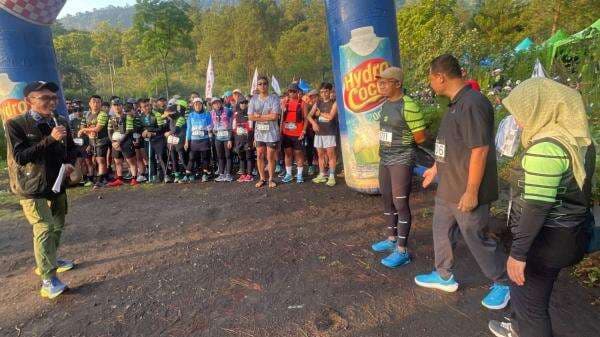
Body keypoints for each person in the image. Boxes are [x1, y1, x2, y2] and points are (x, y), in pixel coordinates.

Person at [488, 78, 595, 337]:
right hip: (573, 232)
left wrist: (518, 253)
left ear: (540, 108)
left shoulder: (545, 149)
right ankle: (516, 325)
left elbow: (537, 207)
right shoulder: (579, 141)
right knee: (537, 294)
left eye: (521, 111)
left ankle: (521, 326)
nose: (518, 120)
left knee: (531, 308)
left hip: (546, 240)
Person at [414, 54, 510, 310]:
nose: (430, 84)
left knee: (475, 235)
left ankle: (503, 282)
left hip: (466, 189)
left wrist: (471, 192)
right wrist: (435, 168)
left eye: (430, 79)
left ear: (440, 77)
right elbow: (452, 145)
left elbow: (479, 149)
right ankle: (443, 274)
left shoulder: (472, 103)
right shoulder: (455, 104)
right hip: (449, 186)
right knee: (441, 229)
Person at [5, 81, 79, 299]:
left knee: (58, 225)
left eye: (54, 98)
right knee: (44, 228)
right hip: (31, 185)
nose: (52, 102)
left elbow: (72, 148)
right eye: (45, 98)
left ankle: (50, 259)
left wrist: (70, 162)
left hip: (56, 182)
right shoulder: (16, 124)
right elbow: (21, 157)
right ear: (29, 101)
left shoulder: (61, 120)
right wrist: (50, 139)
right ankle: (48, 278)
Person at [370, 67, 427, 268]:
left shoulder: (408, 105)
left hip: (401, 160)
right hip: (384, 159)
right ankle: (391, 238)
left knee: (400, 203)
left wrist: (401, 147)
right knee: (387, 199)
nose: (381, 85)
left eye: (385, 82)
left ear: (398, 84)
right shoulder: (386, 104)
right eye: (380, 82)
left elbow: (420, 137)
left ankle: (402, 250)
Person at [248, 76, 281, 188]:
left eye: (264, 83)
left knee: (270, 156)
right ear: (257, 86)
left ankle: (271, 179)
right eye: (260, 84)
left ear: (268, 85)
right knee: (260, 155)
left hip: (272, 133)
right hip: (259, 134)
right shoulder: (253, 100)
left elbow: (275, 116)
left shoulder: (274, 98)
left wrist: (259, 116)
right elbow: (251, 117)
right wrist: (266, 116)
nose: (262, 86)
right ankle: (262, 178)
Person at [307, 82, 338, 187]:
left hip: (330, 132)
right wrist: (314, 123)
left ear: (330, 91)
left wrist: (320, 114)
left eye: (326, 91)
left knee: (331, 155)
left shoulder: (334, 103)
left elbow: (330, 116)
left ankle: (332, 176)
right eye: (322, 92)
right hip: (319, 132)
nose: (324, 94)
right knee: (320, 154)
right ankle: (322, 174)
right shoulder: (318, 103)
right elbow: (309, 115)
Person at [79, 95, 110, 189]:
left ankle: (100, 180)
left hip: (102, 140)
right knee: (93, 160)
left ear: (101, 104)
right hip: (91, 140)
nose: (95, 104)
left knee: (101, 159)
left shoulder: (103, 114)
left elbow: (98, 128)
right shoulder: (86, 114)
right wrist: (88, 133)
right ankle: (102, 177)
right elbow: (82, 126)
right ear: (89, 103)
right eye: (93, 102)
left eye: (98, 102)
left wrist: (84, 130)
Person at [106, 99, 139, 187]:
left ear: (121, 106)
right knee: (117, 161)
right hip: (115, 142)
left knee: (130, 161)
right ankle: (119, 179)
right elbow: (109, 131)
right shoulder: (111, 118)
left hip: (126, 141)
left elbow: (128, 131)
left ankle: (134, 178)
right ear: (112, 107)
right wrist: (113, 142)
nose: (116, 107)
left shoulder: (127, 117)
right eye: (114, 105)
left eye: (118, 105)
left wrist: (120, 142)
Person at [280, 83, 307, 184]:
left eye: (294, 91)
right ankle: (289, 174)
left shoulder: (302, 103)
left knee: (298, 154)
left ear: (298, 92)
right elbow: (281, 118)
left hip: (298, 133)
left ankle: (299, 174)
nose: (291, 93)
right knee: (287, 154)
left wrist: (303, 131)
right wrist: (280, 132)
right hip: (286, 133)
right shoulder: (284, 102)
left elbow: (306, 119)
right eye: (290, 91)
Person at [141, 98, 170, 183]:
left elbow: (161, 128)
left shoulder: (156, 114)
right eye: (144, 107)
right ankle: (153, 176)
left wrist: (152, 132)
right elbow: (141, 128)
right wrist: (143, 132)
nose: (146, 108)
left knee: (161, 157)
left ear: (150, 105)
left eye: (147, 106)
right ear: (141, 108)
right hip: (148, 140)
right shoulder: (141, 116)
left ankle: (166, 175)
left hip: (159, 139)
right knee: (150, 158)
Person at [185, 97, 213, 182]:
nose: (197, 105)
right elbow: (189, 129)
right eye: (196, 104)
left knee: (205, 157)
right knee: (192, 157)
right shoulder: (191, 115)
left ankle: (205, 175)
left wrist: (210, 137)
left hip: (204, 139)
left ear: (202, 105)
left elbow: (210, 126)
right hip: (194, 139)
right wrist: (187, 141)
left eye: (199, 104)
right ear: (193, 105)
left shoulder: (207, 114)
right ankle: (187, 175)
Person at [210, 98, 234, 182]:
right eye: (214, 103)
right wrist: (212, 129)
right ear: (212, 105)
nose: (216, 105)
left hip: (227, 136)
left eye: (218, 103)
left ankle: (229, 174)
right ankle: (221, 174)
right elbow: (212, 124)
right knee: (220, 156)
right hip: (218, 137)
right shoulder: (212, 113)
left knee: (228, 155)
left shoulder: (227, 111)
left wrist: (230, 139)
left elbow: (231, 124)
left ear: (221, 103)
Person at [232, 98, 254, 182]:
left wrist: (245, 130)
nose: (243, 104)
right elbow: (233, 128)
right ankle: (243, 174)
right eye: (241, 103)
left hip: (248, 139)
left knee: (249, 157)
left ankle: (249, 174)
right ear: (239, 104)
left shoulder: (250, 113)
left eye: (245, 103)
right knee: (241, 158)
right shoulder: (236, 113)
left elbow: (251, 127)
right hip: (238, 139)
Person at [164, 104, 187, 183]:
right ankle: (177, 175)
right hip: (172, 141)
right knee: (173, 159)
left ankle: (187, 174)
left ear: (172, 114)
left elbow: (176, 129)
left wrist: (168, 133)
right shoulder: (170, 120)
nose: (167, 117)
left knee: (182, 158)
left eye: (168, 115)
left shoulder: (180, 118)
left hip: (181, 141)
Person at [303, 89, 319, 176]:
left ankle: (323, 167)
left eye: (315, 96)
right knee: (309, 148)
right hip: (309, 130)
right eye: (311, 97)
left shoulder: (320, 103)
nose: (313, 98)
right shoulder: (306, 105)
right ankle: (310, 165)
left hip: (320, 129)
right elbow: (306, 117)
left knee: (319, 148)